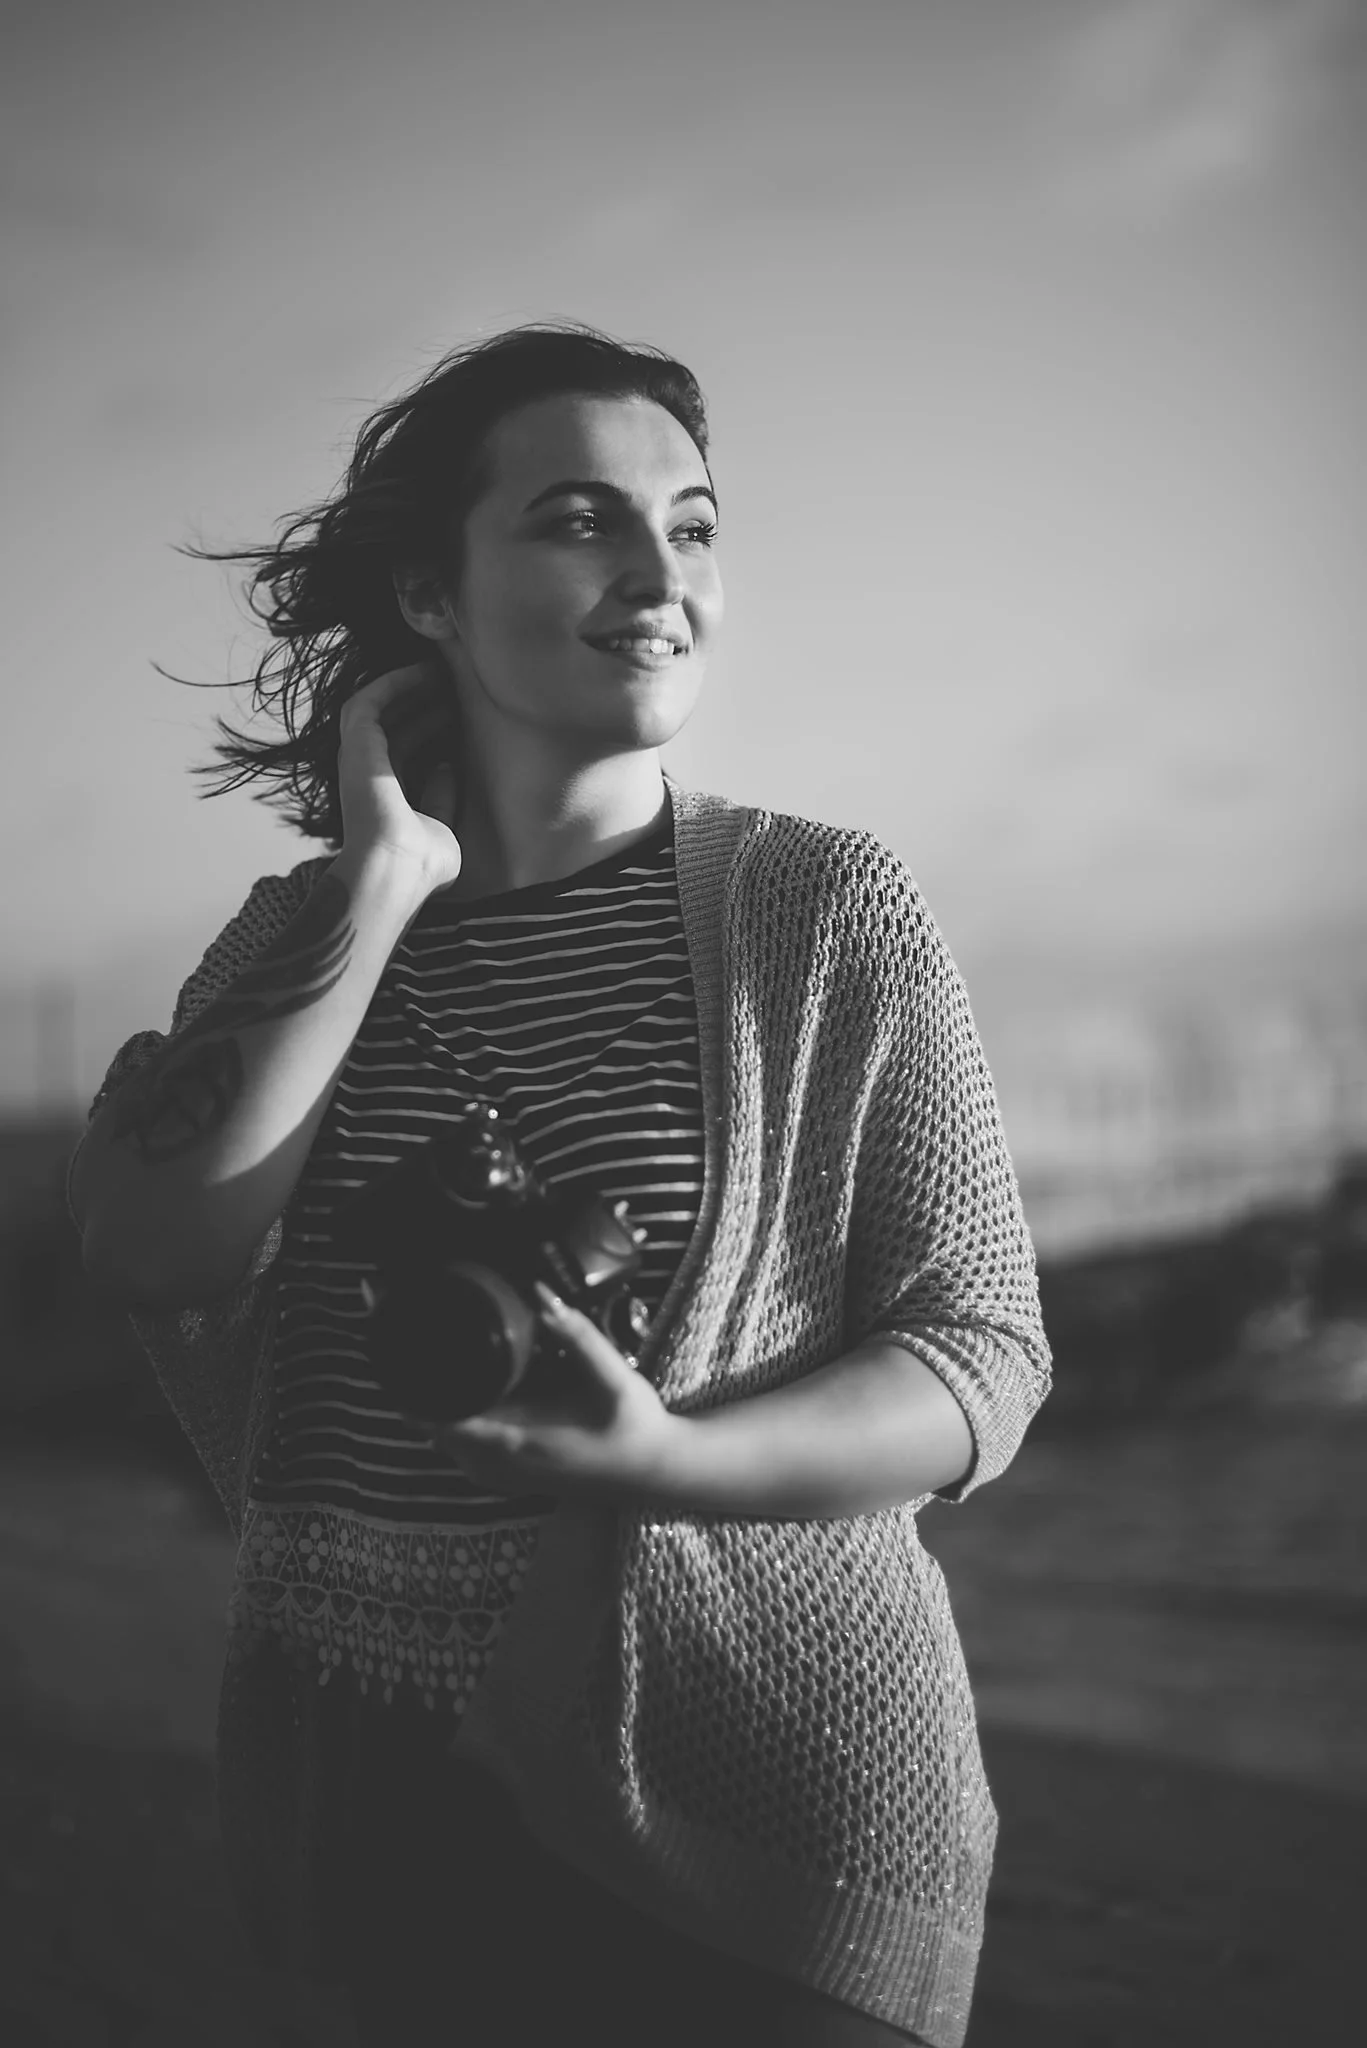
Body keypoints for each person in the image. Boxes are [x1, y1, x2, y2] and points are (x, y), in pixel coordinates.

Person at [69, 323, 1052, 2048]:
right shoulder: (295, 944)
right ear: (428, 595)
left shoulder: (821, 912)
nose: (657, 575)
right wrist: (380, 893)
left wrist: (667, 1461)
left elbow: (981, 1349)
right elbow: (152, 1248)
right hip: (378, 1793)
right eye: (579, 520)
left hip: (761, 1784)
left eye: (690, 523)